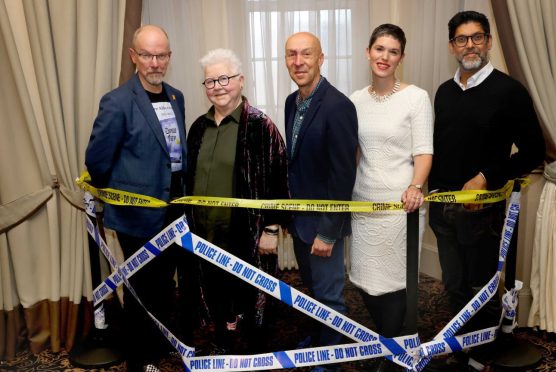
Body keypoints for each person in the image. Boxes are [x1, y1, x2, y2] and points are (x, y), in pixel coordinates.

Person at [429, 11, 545, 370]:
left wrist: (486, 177)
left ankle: (482, 355)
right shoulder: (444, 92)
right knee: (454, 285)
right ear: (452, 46)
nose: (470, 45)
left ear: (489, 41)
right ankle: (462, 345)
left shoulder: (509, 91)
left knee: (482, 289)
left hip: (482, 212)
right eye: (462, 39)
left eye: (477, 37)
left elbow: (534, 152)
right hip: (443, 210)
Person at [85, 25, 190, 371]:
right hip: (136, 219)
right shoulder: (116, 102)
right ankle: (139, 360)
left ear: (169, 58)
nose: (154, 62)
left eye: (161, 55)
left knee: (163, 286)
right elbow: (97, 161)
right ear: (134, 56)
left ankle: (159, 348)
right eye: (147, 55)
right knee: (139, 290)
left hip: (174, 213)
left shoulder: (177, 96)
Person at [185, 48, 289, 354]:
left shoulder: (260, 125)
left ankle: (253, 351)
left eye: (224, 78)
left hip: (247, 232)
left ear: (241, 80)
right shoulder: (198, 127)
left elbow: (279, 178)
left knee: (250, 296)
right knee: (215, 291)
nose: (217, 86)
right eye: (210, 81)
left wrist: (271, 230)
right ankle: (223, 340)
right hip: (205, 233)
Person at [348, 24, 433, 372]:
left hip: (401, 206)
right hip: (364, 205)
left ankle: (390, 350)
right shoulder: (354, 100)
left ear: (401, 57)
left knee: (397, 282)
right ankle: (388, 341)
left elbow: (424, 151)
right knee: (366, 281)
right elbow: (355, 153)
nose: (384, 57)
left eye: (393, 51)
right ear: (368, 52)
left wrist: (416, 186)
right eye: (379, 49)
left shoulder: (416, 97)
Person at [284, 32, 358, 370]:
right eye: (291, 55)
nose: (298, 62)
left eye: (306, 54)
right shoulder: (291, 102)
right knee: (312, 292)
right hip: (300, 222)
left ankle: (329, 362)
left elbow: (342, 176)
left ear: (321, 58)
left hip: (323, 226)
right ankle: (319, 344)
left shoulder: (339, 106)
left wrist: (329, 232)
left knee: (329, 297)